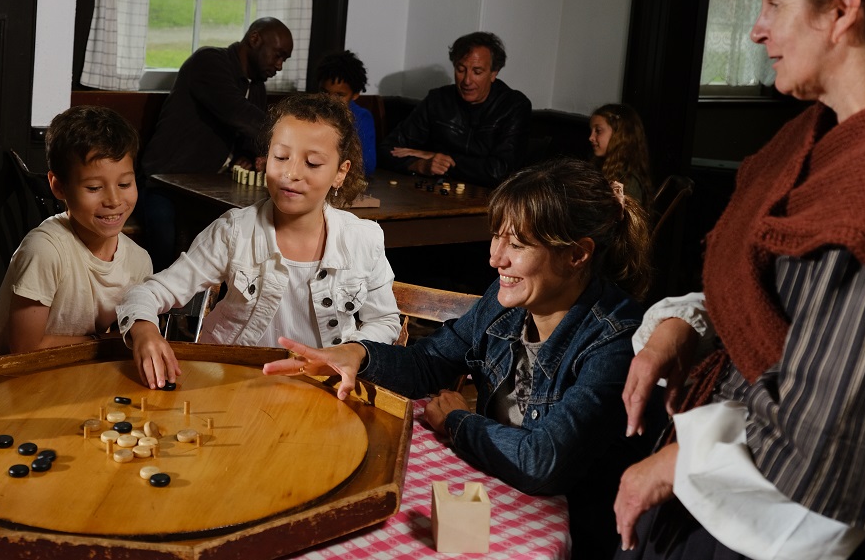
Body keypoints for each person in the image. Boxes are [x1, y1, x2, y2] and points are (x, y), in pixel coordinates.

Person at [614, 0, 865, 559]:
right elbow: (776, 299)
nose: (757, 29)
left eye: (772, 4)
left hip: (799, 525)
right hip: (730, 489)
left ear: (841, 8)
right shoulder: (816, 132)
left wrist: (681, 463)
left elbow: (835, 432)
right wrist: (688, 326)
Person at [266, 158, 653, 559]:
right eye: (496, 237)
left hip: (581, 539)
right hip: (499, 497)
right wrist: (356, 354)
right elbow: (428, 362)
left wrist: (457, 421)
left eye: (517, 245)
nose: (495, 258)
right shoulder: (506, 303)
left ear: (577, 255)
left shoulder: (617, 338)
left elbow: (543, 462)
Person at [117, 94, 401, 389]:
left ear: (340, 173)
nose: (291, 173)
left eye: (313, 163)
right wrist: (143, 328)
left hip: (320, 389)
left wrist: (352, 351)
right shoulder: (235, 231)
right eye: (281, 157)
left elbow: (386, 321)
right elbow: (152, 291)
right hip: (230, 382)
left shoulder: (363, 239)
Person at [0, 105, 152, 357]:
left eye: (124, 184)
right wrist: (105, 342)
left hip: (76, 380)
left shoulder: (139, 261)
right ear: (58, 187)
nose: (114, 200)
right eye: (93, 188)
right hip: (9, 385)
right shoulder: (46, 249)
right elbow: (26, 349)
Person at [138, 17, 294, 271]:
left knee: (237, 239)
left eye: (284, 60)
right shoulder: (209, 61)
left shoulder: (256, 87)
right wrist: (289, 137)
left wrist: (248, 153)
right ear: (254, 39)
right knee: (164, 249)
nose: (279, 66)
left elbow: (249, 134)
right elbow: (236, 112)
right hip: (163, 181)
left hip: (208, 189)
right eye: (277, 55)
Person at [378, 31, 532, 187]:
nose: (467, 80)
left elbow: (500, 171)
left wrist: (437, 158)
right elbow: (387, 150)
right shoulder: (438, 100)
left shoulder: (514, 106)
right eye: (460, 70)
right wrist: (420, 165)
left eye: (477, 72)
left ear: (494, 73)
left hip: (490, 200)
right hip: (438, 195)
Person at [317, 49, 377, 178]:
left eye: (340, 95)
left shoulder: (361, 118)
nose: (330, 100)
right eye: (325, 92)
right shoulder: (311, 113)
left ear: (355, 94)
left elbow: (367, 165)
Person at [590, 104, 652, 206]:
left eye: (598, 131)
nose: (591, 137)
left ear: (618, 134)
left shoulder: (629, 180)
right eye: (591, 131)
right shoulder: (599, 166)